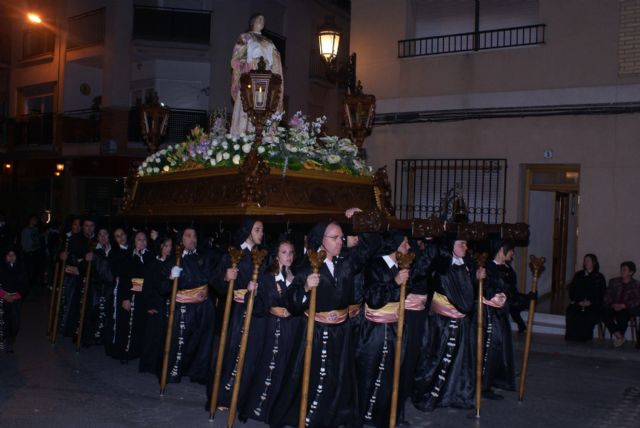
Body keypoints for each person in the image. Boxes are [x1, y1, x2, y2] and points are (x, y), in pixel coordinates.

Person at [270, 209, 381, 428]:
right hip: (316, 332)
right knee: (312, 378)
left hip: (341, 331)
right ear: (322, 239)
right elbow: (291, 303)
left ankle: (334, 417)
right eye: (335, 238)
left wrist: (360, 219)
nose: (340, 241)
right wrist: (304, 287)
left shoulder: (346, 262)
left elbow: (372, 245)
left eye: (341, 237)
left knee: (339, 378)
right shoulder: (307, 266)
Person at [412, 238, 485, 411]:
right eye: (461, 244)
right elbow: (422, 273)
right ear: (450, 246)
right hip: (441, 323)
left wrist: (476, 277)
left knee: (460, 359)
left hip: (461, 321)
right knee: (437, 359)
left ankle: (456, 395)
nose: (466, 247)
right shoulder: (444, 266)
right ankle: (429, 395)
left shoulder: (466, 264)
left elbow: (468, 289)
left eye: (467, 243)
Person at [241, 239, 302, 424]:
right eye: (284, 252)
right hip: (272, 327)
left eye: (291, 252)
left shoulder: (297, 276)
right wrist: (251, 293)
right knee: (267, 366)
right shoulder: (268, 276)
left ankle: (276, 413)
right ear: (277, 256)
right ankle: (254, 408)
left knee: (285, 369)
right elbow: (259, 308)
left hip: (292, 327)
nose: (288, 256)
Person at [355, 230, 411, 427]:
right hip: (374, 331)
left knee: (392, 373)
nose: (408, 247)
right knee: (369, 372)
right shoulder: (375, 266)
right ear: (394, 245)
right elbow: (374, 298)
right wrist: (394, 282)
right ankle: (363, 416)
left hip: (395, 327)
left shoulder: (401, 266)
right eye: (405, 243)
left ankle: (387, 416)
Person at [216, 218, 268, 409]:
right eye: (257, 229)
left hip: (257, 310)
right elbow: (217, 281)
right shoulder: (234, 253)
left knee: (251, 355)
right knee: (234, 352)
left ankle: (241, 397)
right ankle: (223, 397)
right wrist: (225, 276)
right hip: (239, 310)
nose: (261, 233)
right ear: (247, 231)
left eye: (262, 229)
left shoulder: (262, 254)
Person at [164, 227, 219, 384]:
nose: (192, 239)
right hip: (185, 307)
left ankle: (199, 373)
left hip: (203, 306)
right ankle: (174, 371)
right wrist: (170, 277)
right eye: (188, 236)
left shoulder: (202, 257)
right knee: (181, 341)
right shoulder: (174, 260)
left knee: (203, 341)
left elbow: (211, 276)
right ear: (181, 239)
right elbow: (162, 287)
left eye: (194, 236)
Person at [229, 13, 284, 135]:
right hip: (250, 78)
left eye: (263, 20)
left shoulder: (268, 41)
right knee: (248, 104)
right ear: (252, 22)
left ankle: (264, 136)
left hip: (266, 79)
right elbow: (236, 58)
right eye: (259, 19)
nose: (262, 21)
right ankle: (243, 136)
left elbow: (275, 60)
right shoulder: (245, 38)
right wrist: (248, 64)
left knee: (266, 104)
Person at [480, 240, 519, 400]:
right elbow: (489, 289)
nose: (513, 254)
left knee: (501, 348)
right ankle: (483, 386)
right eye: (511, 250)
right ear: (502, 250)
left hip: (502, 314)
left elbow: (511, 292)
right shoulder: (488, 267)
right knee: (490, 348)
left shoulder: (508, 269)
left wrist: (524, 298)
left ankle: (495, 380)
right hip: (489, 314)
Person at [111, 231, 153, 361]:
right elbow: (123, 279)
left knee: (141, 325)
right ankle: (125, 352)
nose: (142, 242)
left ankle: (137, 351)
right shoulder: (128, 256)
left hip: (144, 296)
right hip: (130, 294)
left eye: (144, 239)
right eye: (139, 239)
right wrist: (125, 298)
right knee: (127, 325)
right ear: (134, 241)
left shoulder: (150, 257)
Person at [139, 236, 173, 376]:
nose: (168, 249)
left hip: (168, 304)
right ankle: (149, 365)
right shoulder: (154, 264)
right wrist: (149, 305)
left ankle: (161, 367)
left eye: (170, 246)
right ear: (160, 247)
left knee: (165, 337)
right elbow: (148, 286)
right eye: (166, 245)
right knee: (153, 336)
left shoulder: (173, 263)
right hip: (156, 303)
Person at [565, 254, 606, 342]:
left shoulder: (599, 277)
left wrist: (590, 302)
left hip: (593, 304)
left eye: (588, 261)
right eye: (584, 261)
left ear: (594, 263)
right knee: (571, 311)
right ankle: (572, 336)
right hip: (578, 303)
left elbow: (601, 294)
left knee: (588, 314)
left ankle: (584, 337)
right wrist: (578, 301)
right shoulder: (578, 275)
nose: (585, 263)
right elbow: (572, 290)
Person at [602, 261, 640, 348]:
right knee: (604, 313)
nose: (622, 272)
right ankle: (619, 336)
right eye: (621, 270)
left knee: (622, 316)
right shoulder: (614, 281)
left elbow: (637, 299)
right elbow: (607, 295)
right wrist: (613, 304)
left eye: (624, 270)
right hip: (613, 306)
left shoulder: (636, 284)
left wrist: (624, 305)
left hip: (626, 308)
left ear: (631, 272)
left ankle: (620, 337)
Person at [0, 247, 27, 353]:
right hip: (2, 298)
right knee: (4, 321)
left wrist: (14, 297)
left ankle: (11, 340)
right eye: (8, 255)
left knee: (15, 322)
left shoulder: (21, 268)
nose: (11, 257)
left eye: (13, 255)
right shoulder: (1, 268)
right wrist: (4, 295)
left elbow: (25, 285)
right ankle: (5, 340)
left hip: (16, 298)